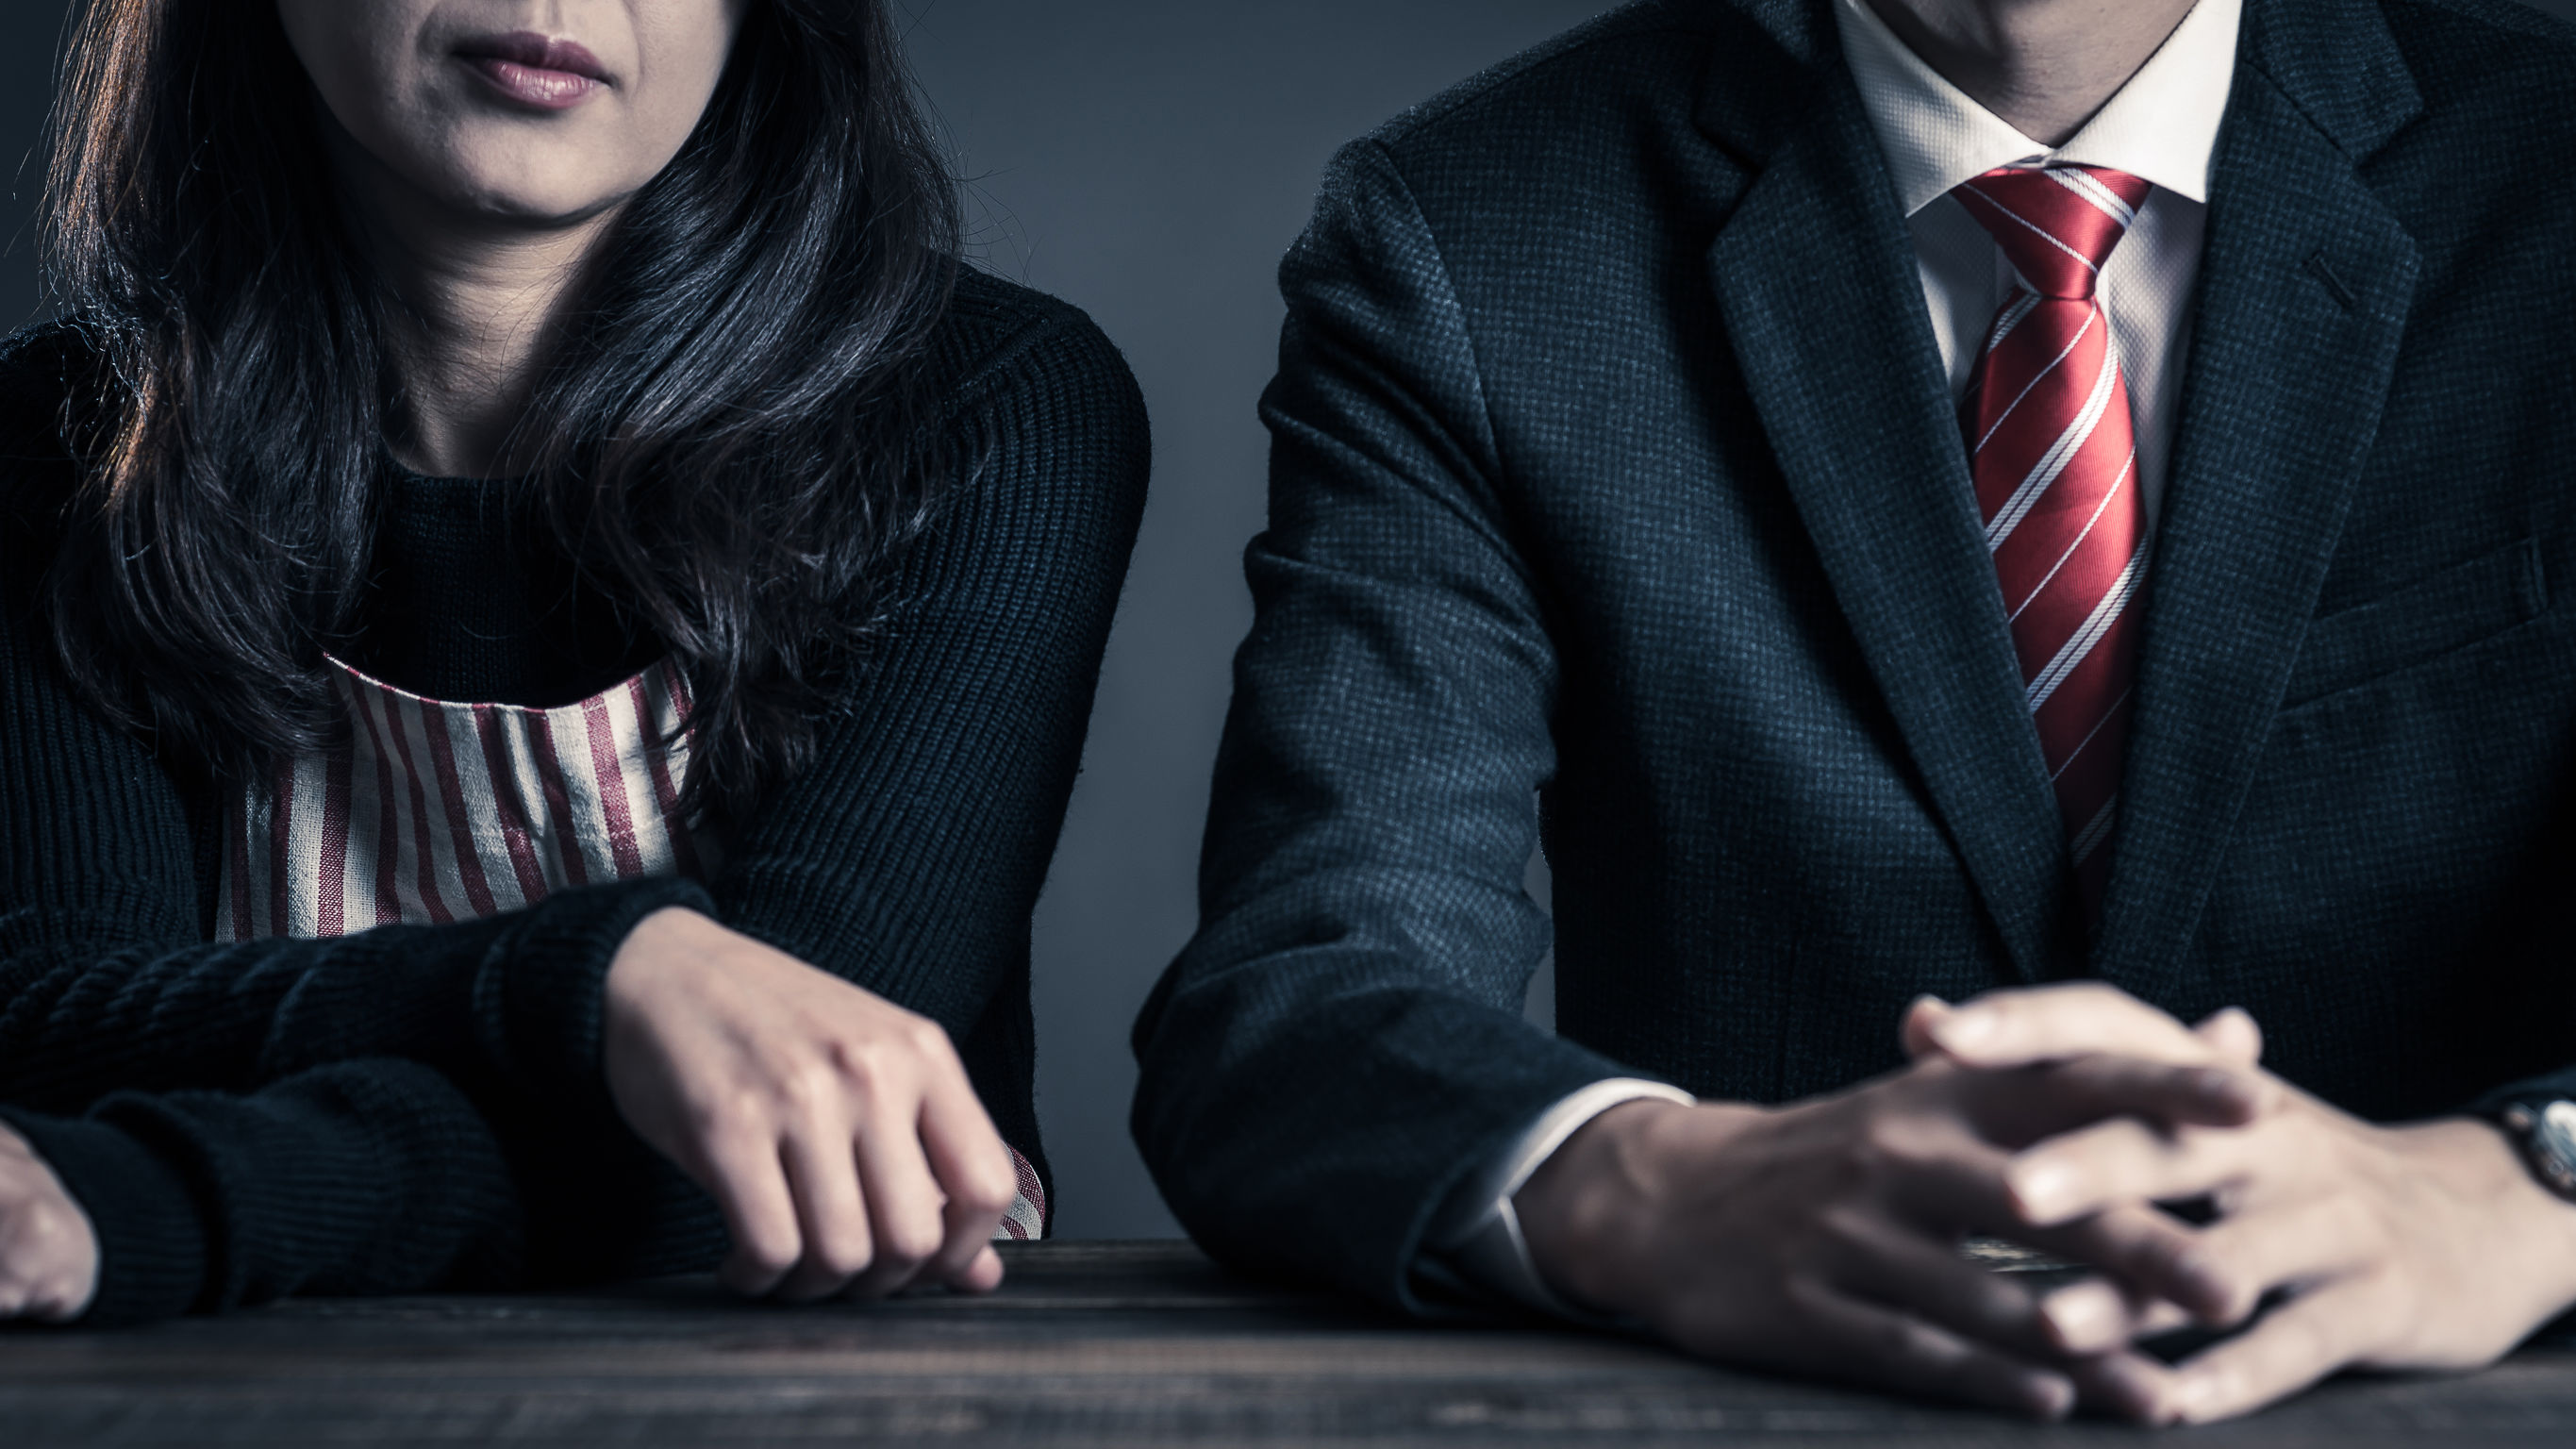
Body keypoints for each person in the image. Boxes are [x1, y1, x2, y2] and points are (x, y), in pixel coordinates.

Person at [1132, 0, 2576, 1424]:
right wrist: (1654, 1187)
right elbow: (1301, 1008)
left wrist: (2526, 1183)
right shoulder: (1474, 229)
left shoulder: (2544, 162)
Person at [0, 0, 1145, 1324]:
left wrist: (155, 1202)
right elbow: (57, 1025)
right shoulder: (59, 447)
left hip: (820, 1376)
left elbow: (792, 1136)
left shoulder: (991, 409)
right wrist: (598, 978)